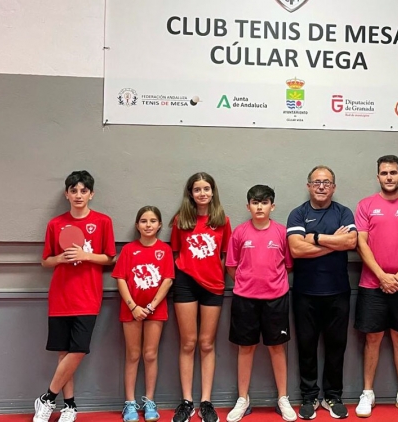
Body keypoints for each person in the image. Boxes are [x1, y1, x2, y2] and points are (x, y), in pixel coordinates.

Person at [33, 170, 116, 422]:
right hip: (60, 297)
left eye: (83, 191)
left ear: (91, 194)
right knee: (63, 352)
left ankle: (47, 397)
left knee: (78, 350)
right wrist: (61, 258)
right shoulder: (55, 224)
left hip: (88, 297)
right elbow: (45, 261)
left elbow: (110, 258)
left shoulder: (103, 221)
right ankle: (69, 406)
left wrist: (85, 255)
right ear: (66, 194)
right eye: (73, 190)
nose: (78, 195)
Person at [354, 155, 398, 419]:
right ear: (378, 177)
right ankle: (368, 393)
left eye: (393, 172)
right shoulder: (365, 205)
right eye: (384, 173)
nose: (388, 177)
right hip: (372, 284)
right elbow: (361, 242)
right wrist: (382, 276)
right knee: (372, 339)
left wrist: (397, 277)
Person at [287, 165, 357, 420]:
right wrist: (331, 242)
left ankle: (333, 396)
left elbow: (350, 242)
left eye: (326, 182)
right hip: (305, 293)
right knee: (306, 346)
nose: (321, 186)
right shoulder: (298, 214)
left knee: (336, 346)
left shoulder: (343, 212)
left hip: (338, 292)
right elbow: (296, 249)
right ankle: (309, 397)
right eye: (316, 182)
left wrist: (313, 238)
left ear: (333, 187)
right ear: (308, 186)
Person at [225, 185, 297, 422]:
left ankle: (283, 398)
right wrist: (248, 285)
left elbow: (287, 265)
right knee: (246, 348)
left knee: (277, 348)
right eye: (255, 203)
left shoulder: (281, 232)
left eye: (264, 202)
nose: (259, 207)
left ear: (272, 206)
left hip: (276, 299)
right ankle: (243, 399)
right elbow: (232, 266)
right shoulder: (239, 233)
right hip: (245, 300)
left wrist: (269, 286)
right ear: (248, 206)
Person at [169, 172, 232, 422]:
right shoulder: (180, 220)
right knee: (188, 343)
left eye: (207, 188)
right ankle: (187, 401)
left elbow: (226, 256)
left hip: (214, 285)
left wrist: (216, 276)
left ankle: (206, 401)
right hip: (185, 284)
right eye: (197, 189)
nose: (202, 193)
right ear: (190, 193)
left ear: (213, 192)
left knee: (207, 344)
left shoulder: (222, 221)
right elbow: (175, 252)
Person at [113, 206, 175, 422]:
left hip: (155, 310)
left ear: (159, 225)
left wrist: (149, 307)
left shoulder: (164, 250)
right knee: (133, 355)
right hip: (131, 310)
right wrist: (133, 306)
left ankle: (150, 400)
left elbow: (167, 280)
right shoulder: (129, 250)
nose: (148, 225)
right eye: (143, 221)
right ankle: (129, 403)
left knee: (150, 354)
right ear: (137, 225)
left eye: (153, 221)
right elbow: (120, 278)